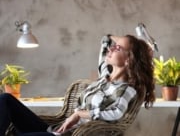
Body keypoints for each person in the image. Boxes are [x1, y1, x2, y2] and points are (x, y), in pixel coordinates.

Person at [0, 34, 155, 136]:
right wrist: (121, 40)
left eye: (118, 48)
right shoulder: (104, 77)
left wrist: (79, 114)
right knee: (5, 99)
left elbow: (115, 114)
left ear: (129, 60)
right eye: (113, 45)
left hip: (69, 134)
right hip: (54, 129)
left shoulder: (126, 89)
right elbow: (105, 41)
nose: (111, 48)